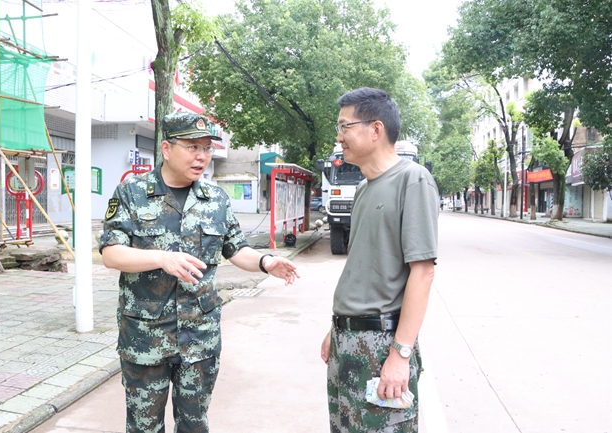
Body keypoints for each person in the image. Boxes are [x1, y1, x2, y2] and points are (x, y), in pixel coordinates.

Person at [100, 112, 300, 433]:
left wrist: (266, 262)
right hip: (146, 339)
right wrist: (161, 258)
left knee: (195, 426)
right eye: (192, 147)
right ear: (166, 149)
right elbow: (111, 253)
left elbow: (237, 249)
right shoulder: (132, 193)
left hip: (200, 338)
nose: (202, 157)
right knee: (143, 427)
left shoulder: (216, 199)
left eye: (207, 149)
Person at [320, 88, 438, 432]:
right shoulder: (364, 188)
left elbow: (423, 272)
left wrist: (400, 355)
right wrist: (337, 327)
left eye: (345, 126)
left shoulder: (411, 180)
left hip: (381, 344)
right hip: (347, 341)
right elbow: (364, 267)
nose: (339, 136)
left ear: (376, 129)